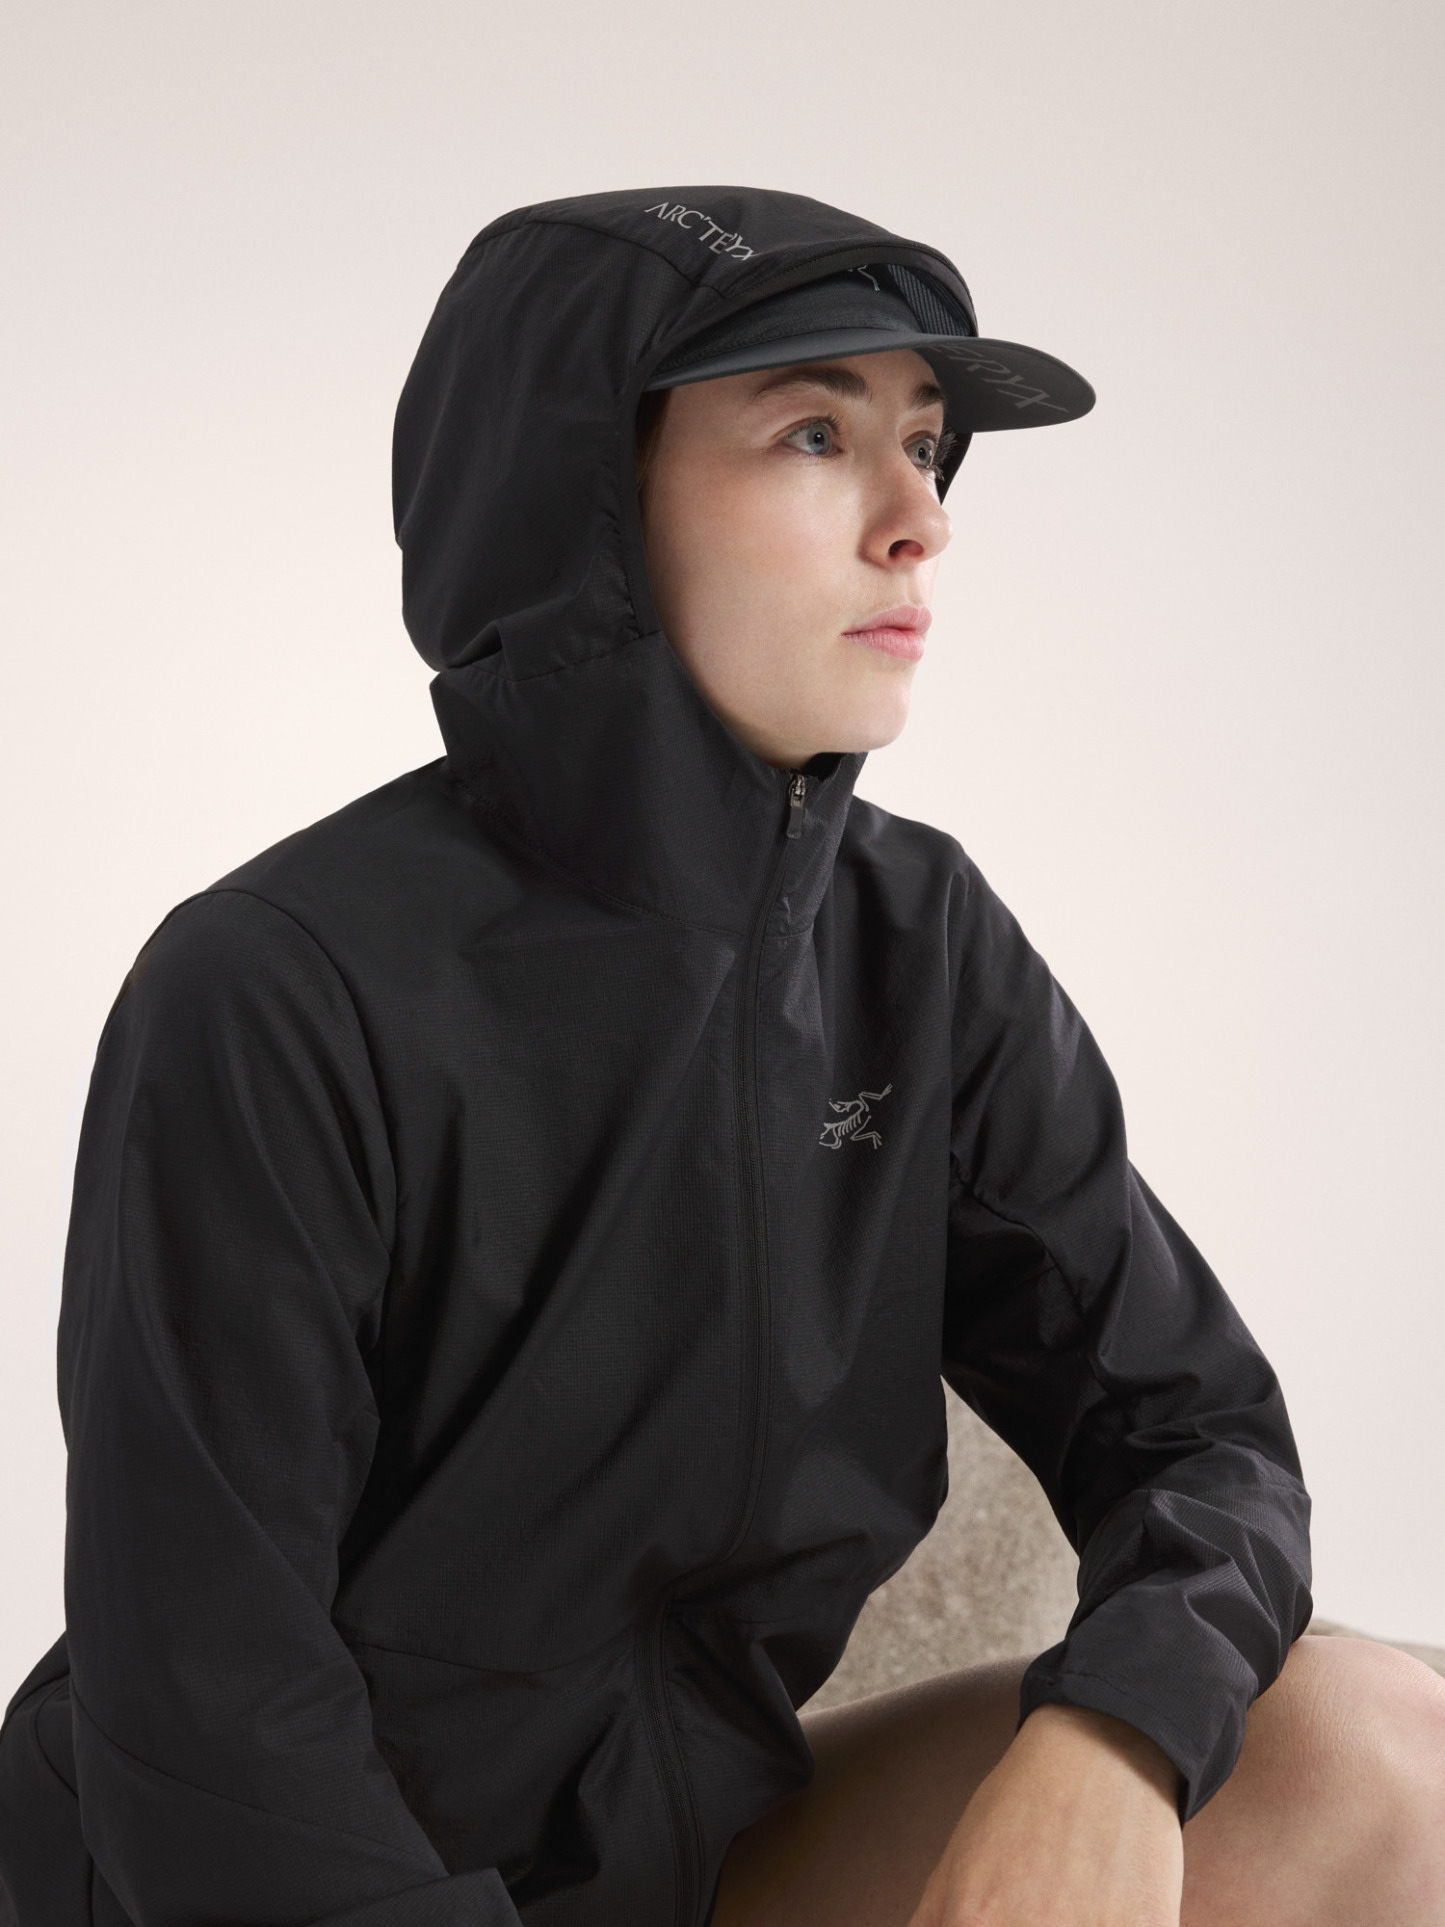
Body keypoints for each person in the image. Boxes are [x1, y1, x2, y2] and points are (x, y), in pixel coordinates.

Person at [0, 184, 1440, 1927]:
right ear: (586, 508)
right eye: (815, 435)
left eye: (925, 443)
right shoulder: (274, 990)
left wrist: (1112, 1743)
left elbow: (1198, 1438)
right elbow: (211, 1715)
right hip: (263, 1896)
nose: (918, 522)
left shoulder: (918, 948)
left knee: (1373, 1749)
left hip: (693, 1863)